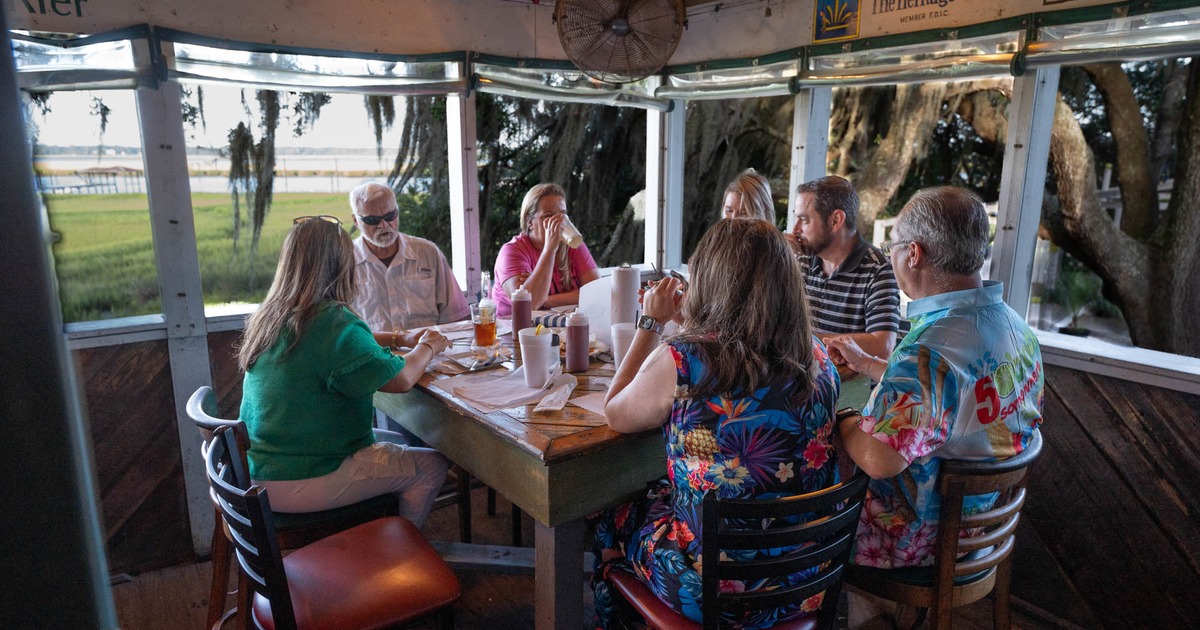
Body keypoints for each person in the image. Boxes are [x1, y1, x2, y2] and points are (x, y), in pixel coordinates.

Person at [593, 219, 842, 629]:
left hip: (714, 590)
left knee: (610, 518)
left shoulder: (683, 361)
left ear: (710, 280)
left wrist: (651, 323)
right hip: (805, 574)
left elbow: (615, 411)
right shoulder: (818, 357)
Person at [827, 186, 1043, 569]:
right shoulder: (1016, 328)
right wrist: (870, 365)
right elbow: (955, 397)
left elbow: (879, 459)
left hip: (921, 540)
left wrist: (843, 416)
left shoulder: (929, 351)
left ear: (914, 254)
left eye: (892, 245)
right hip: (983, 527)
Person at [236, 215, 453, 527]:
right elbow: (402, 378)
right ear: (341, 265)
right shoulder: (332, 321)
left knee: (398, 441)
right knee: (432, 466)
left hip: (262, 467)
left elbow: (352, 343)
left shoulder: (273, 315)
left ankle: (375, 535)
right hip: (302, 479)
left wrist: (400, 338)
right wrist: (429, 345)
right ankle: (401, 554)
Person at [786, 175, 900, 365]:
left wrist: (801, 339)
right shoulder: (800, 259)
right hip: (802, 377)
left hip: (849, 390)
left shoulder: (878, 269)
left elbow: (883, 346)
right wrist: (777, 260)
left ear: (835, 220)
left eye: (804, 220)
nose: (795, 229)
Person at [348, 181, 469, 334]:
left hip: (430, 354)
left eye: (390, 216)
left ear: (397, 211)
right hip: (373, 355)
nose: (384, 225)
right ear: (355, 221)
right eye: (372, 220)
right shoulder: (345, 261)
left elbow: (456, 315)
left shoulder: (427, 253)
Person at [491, 183, 600, 316]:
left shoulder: (572, 245)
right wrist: (550, 249)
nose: (558, 222)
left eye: (562, 215)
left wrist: (545, 299)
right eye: (548, 216)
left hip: (560, 325)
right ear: (530, 221)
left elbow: (596, 292)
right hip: (514, 330)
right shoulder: (512, 252)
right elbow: (529, 304)